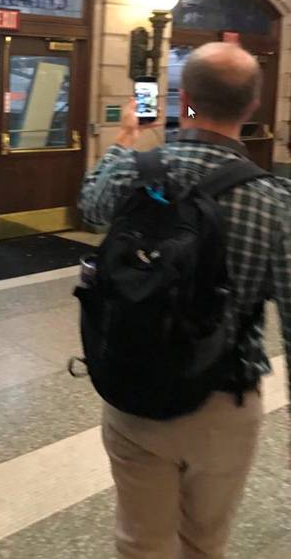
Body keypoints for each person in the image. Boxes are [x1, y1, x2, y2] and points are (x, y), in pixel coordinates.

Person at [80, 42, 290, 559]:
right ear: (253, 106)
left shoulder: (134, 170)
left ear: (186, 99)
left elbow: (89, 205)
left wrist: (128, 136)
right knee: (204, 543)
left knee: (140, 541)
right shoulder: (275, 201)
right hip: (224, 399)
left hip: (134, 388)